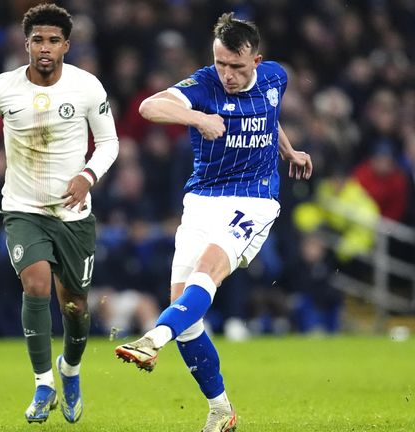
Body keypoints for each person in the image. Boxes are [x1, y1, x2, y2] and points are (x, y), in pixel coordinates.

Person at [114, 13, 312, 432]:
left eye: (237, 67)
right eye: (220, 63)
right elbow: (150, 107)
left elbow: (269, 117)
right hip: (202, 202)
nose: (227, 75)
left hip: (254, 201)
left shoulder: (276, 77)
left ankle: (153, 339)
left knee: (205, 275)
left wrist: (288, 151)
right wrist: (197, 118)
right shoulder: (204, 84)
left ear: (256, 60)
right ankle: (221, 409)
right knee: (188, 319)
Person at [0, 3, 119, 424]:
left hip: (73, 213)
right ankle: (43, 383)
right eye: (38, 40)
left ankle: (70, 369)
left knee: (74, 306)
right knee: (35, 286)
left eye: (53, 40)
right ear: (26, 43)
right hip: (22, 207)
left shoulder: (87, 87)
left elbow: (110, 143)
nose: (45, 48)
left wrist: (88, 175)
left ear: (66, 45)